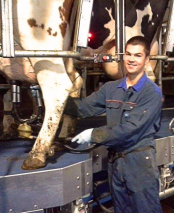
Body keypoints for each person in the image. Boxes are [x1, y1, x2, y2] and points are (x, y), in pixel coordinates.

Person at [66, 36, 163, 213]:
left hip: (139, 162)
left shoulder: (151, 93)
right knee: (120, 209)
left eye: (138, 55)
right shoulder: (111, 88)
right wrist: (55, 98)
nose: (132, 59)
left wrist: (94, 134)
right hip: (115, 162)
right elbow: (83, 108)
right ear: (123, 56)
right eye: (128, 54)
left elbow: (130, 129)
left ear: (146, 60)